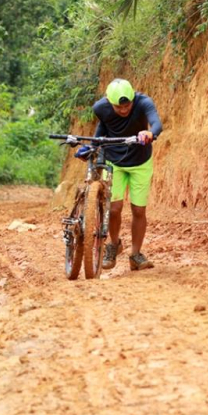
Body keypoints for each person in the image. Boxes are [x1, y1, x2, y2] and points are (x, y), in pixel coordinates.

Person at [93, 78, 162, 271]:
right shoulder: (101, 108)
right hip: (113, 162)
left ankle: (135, 254)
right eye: (118, 107)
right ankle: (114, 244)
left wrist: (150, 133)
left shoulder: (143, 102)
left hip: (140, 163)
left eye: (127, 106)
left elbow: (156, 123)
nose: (124, 110)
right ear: (109, 102)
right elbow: (104, 128)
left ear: (133, 99)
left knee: (138, 210)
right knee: (113, 208)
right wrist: (92, 147)